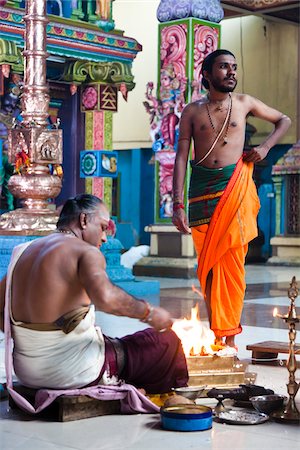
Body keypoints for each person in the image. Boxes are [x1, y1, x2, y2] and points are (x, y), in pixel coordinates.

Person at [0, 194, 188, 395]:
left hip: (26, 372)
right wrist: (149, 313)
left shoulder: (22, 251)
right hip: (70, 372)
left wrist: (37, 340)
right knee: (166, 342)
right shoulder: (85, 252)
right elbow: (106, 298)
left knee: (112, 341)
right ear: (83, 220)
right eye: (103, 227)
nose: (105, 237)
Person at [172, 49, 291, 348]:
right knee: (209, 270)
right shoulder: (192, 111)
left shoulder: (244, 102)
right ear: (207, 74)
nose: (231, 72)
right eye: (223, 67)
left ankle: (230, 339)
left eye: (234, 67)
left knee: (233, 268)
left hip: (234, 190)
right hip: (201, 196)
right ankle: (217, 335)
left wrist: (265, 148)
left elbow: (284, 120)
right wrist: (177, 204)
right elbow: (181, 158)